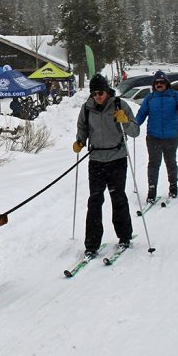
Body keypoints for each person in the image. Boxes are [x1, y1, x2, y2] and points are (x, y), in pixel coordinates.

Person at [73, 74, 139, 258]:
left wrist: (125, 120)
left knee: (118, 197)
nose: (98, 97)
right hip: (96, 160)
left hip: (117, 158)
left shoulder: (119, 105)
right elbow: (82, 129)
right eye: (94, 93)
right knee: (94, 201)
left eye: (101, 92)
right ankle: (92, 244)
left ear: (107, 91)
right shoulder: (87, 108)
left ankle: (124, 236)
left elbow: (135, 131)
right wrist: (79, 142)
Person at [134, 70, 178, 203]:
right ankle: (152, 190)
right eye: (157, 83)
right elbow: (141, 115)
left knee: (171, 163)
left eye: (162, 82)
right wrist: (132, 126)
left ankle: (173, 187)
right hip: (153, 136)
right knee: (153, 164)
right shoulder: (150, 98)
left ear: (166, 83)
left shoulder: (175, 96)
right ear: (154, 84)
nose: (159, 84)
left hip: (171, 136)